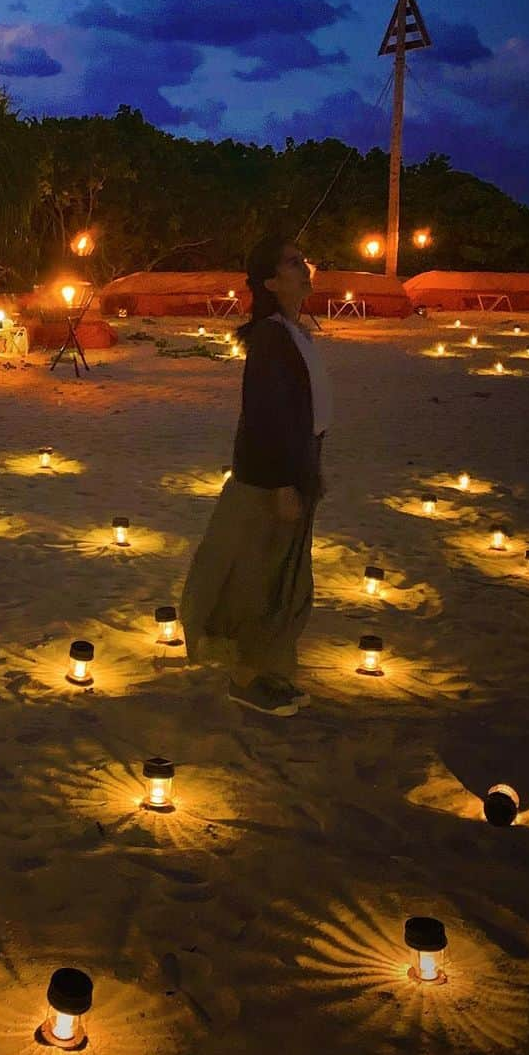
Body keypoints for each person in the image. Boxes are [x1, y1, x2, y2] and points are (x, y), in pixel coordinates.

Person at [180, 235, 331, 715]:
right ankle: (245, 679)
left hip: (298, 465)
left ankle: (268, 671)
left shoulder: (292, 332)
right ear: (271, 281)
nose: (304, 268)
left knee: (283, 577)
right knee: (254, 579)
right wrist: (283, 483)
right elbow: (264, 415)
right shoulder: (269, 337)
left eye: (303, 260)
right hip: (270, 478)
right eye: (292, 262)